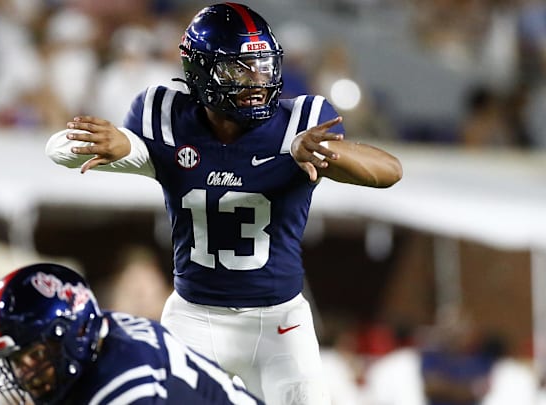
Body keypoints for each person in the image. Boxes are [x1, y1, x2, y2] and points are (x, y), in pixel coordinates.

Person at [45, 3, 402, 404]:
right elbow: (58, 150)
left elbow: (390, 171)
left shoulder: (300, 122)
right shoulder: (165, 116)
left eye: (263, 65)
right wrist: (124, 145)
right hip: (194, 318)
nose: (257, 80)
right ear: (200, 71)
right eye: (239, 68)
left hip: (279, 323)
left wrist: (325, 153)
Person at [0, 262, 264, 404]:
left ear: (74, 334)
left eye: (35, 354)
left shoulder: (123, 385)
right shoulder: (102, 334)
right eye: (15, 361)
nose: (24, 373)